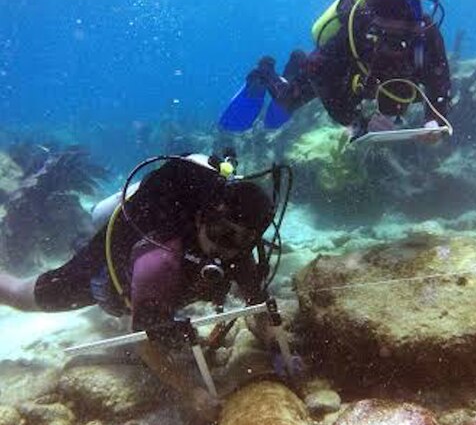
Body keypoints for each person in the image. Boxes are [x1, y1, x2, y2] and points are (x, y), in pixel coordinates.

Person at [0, 153, 277, 419]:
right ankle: (98, 221)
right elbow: (145, 344)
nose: (224, 247)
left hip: (154, 279)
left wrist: (274, 340)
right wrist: (191, 392)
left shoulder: (238, 252)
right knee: (24, 296)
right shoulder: (160, 260)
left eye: (240, 241)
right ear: (201, 218)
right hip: (108, 269)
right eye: (220, 233)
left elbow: (258, 305)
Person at [219, 0, 452, 141]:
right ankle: (265, 72)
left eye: (405, 35)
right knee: (286, 102)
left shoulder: (427, 32)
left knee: (397, 103)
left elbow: (441, 82)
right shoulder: (355, 31)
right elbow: (318, 72)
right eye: (388, 36)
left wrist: (434, 120)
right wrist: (357, 121)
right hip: (344, 74)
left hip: (378, 84)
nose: (399, 45)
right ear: (373, 25)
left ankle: (295, 63)